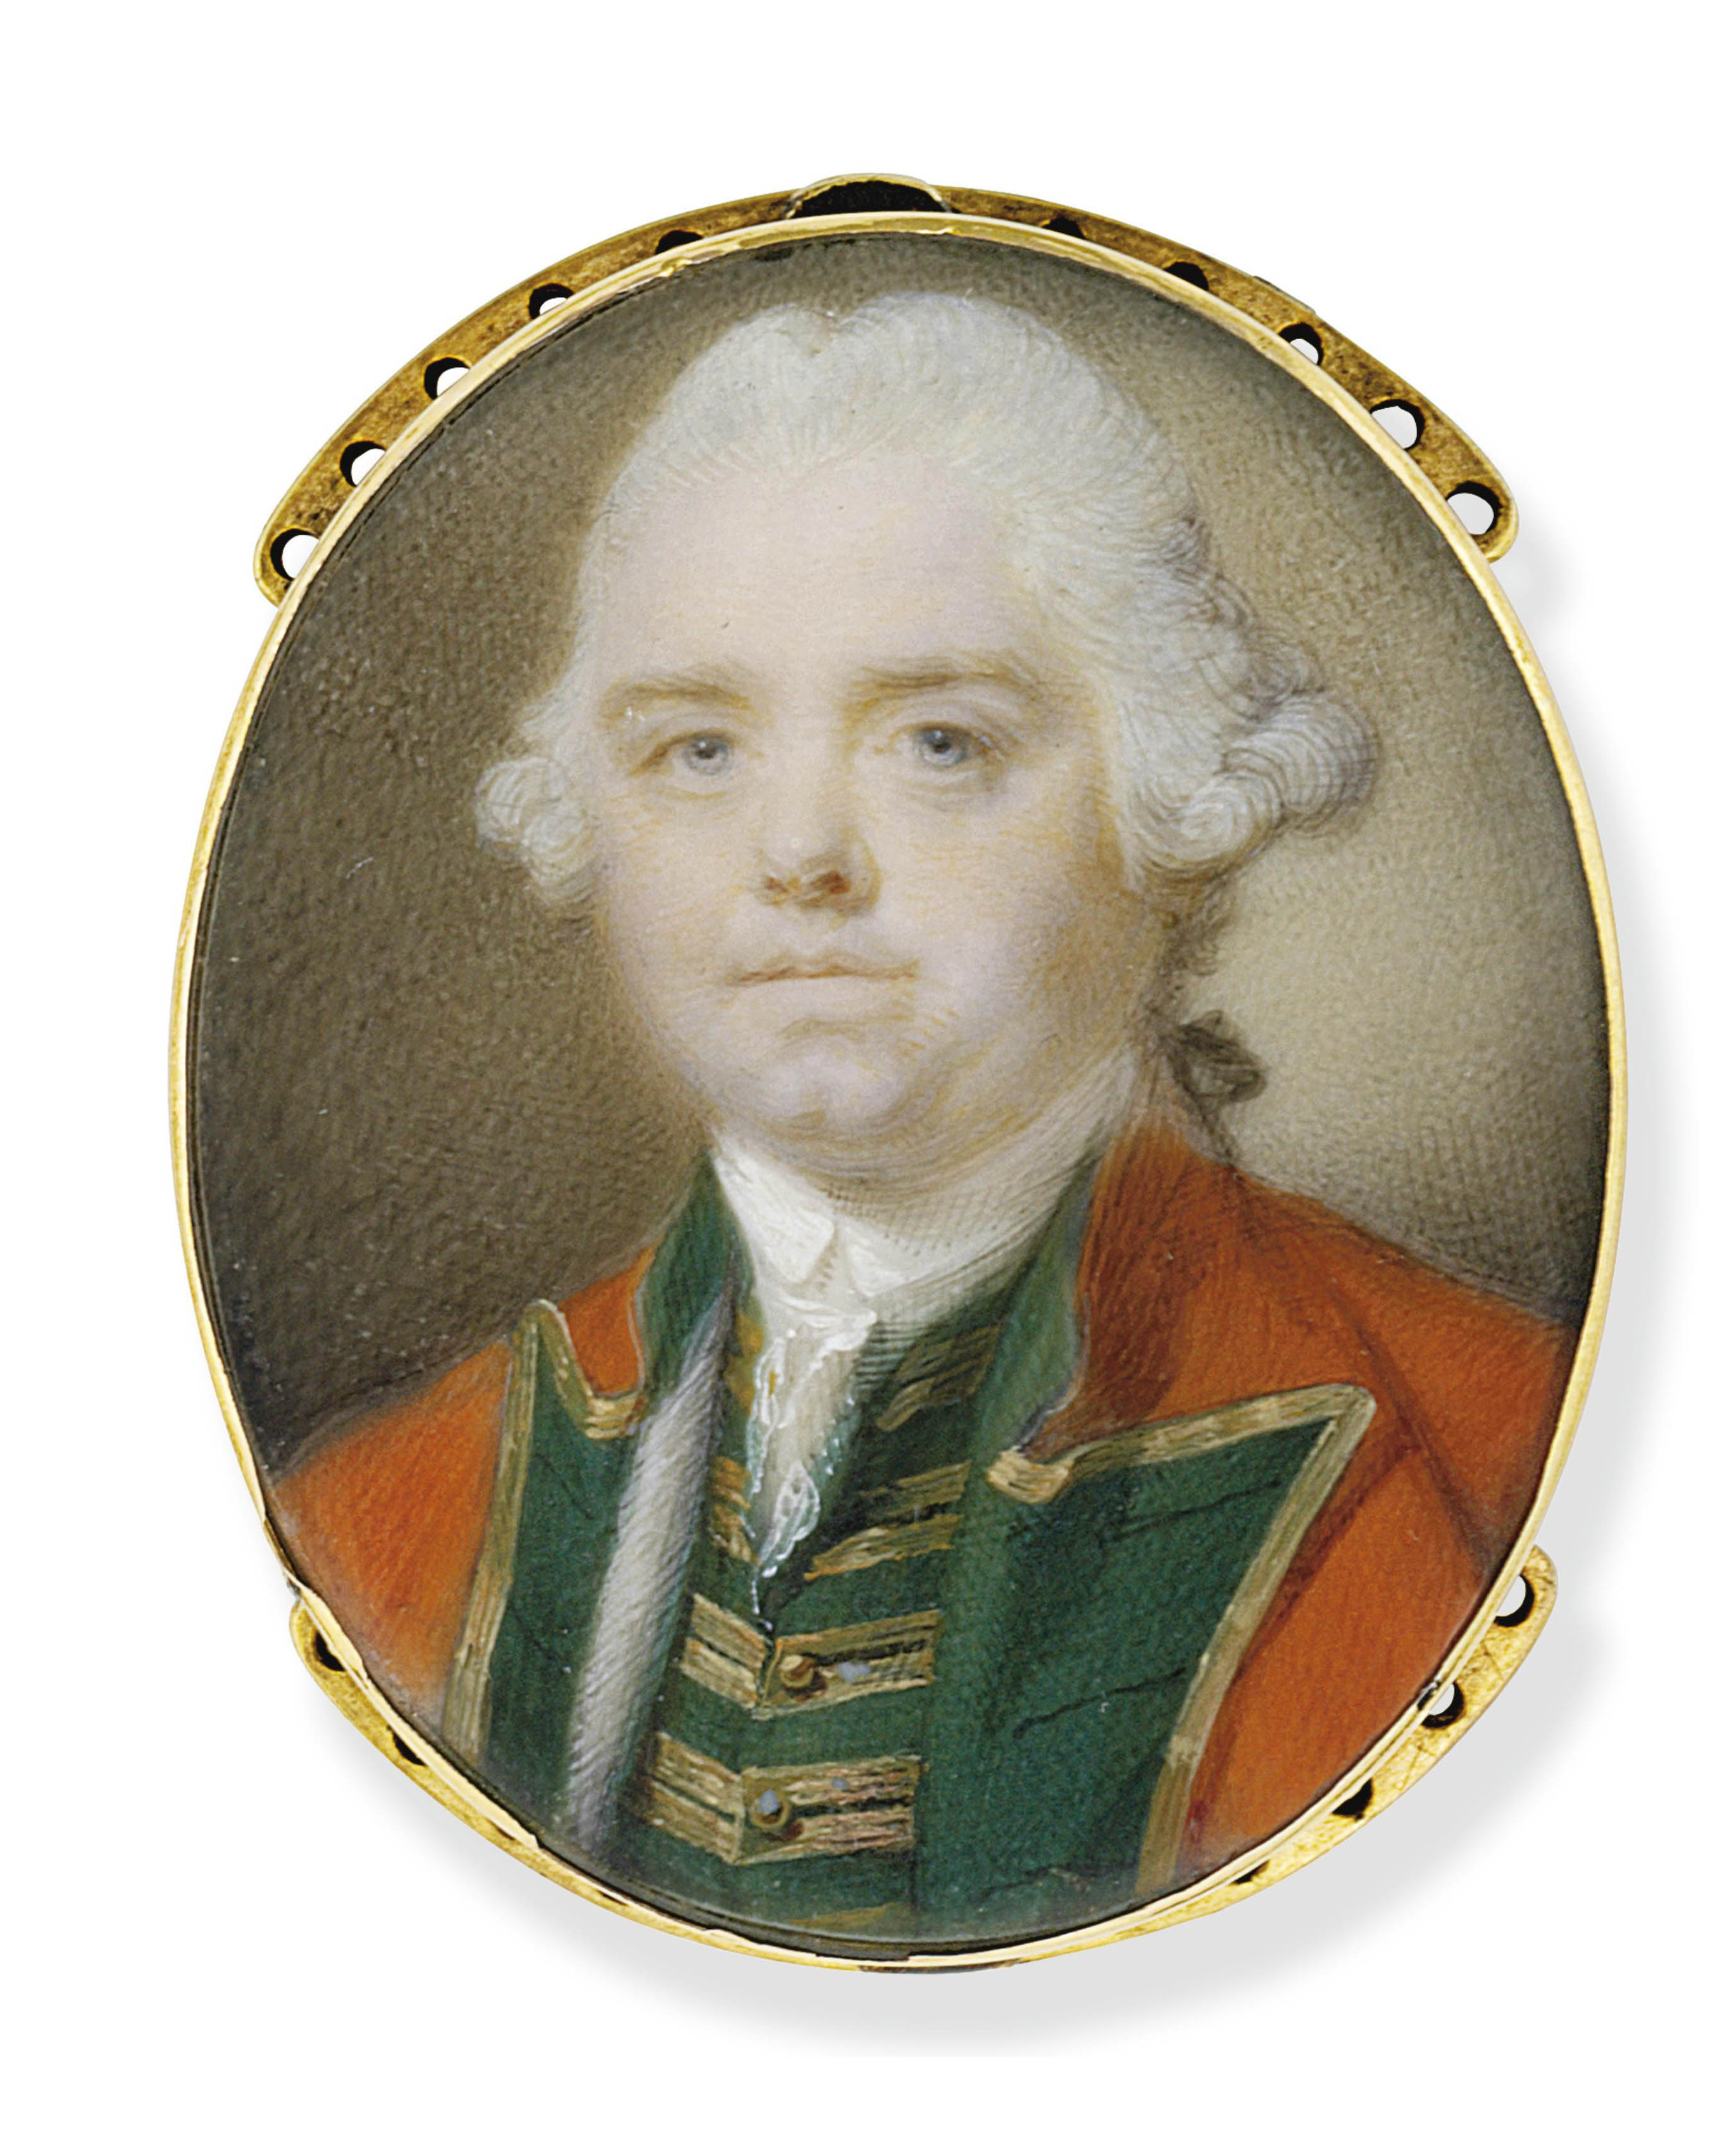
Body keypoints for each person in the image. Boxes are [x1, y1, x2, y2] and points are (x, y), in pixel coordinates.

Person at [273, 292, 1573, 1948]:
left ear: (1164, 799)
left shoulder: (1468, 1449)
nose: (800, 853)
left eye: (940, 742)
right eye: (698, 748)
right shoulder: (392, 1503)